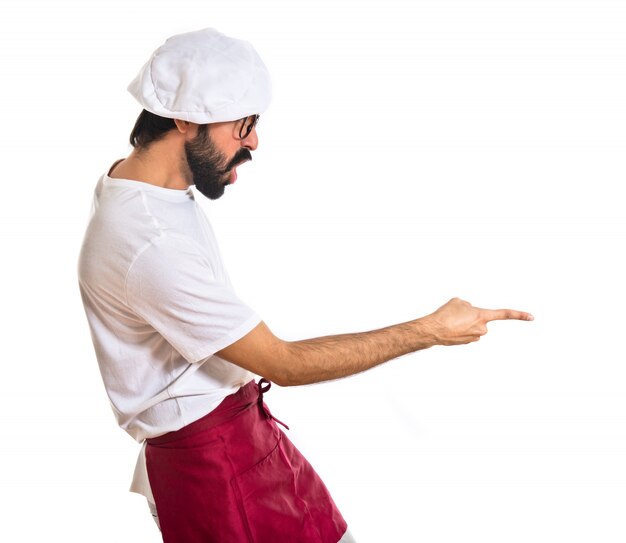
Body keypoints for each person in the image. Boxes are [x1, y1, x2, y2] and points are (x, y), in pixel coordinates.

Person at [77, 28, 533, 543]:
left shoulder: (139, 186)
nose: (253, 142)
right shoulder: (147, 241)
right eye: (242, 126)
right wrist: (430, 330)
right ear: (184, 118)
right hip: (215, 468)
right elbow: (284, 363)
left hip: (243, 433)